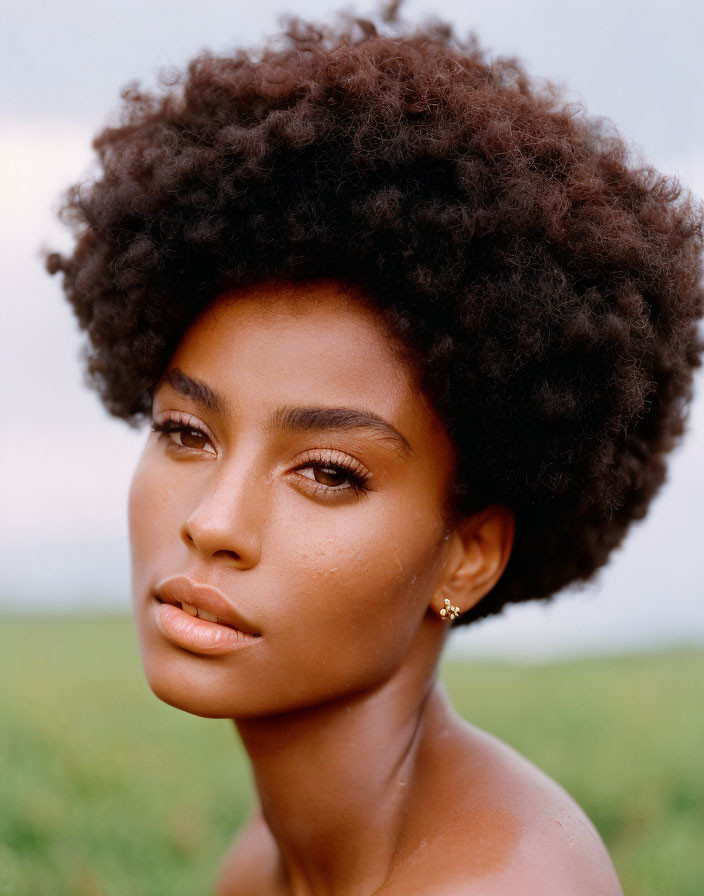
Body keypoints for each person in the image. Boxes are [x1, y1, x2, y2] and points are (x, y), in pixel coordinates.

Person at [48, 6, 703, 894]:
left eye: (328, 473)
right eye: (185, 433)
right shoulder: (265, 867)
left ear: (467, 556)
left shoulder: (503, 883)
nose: (213, 523)